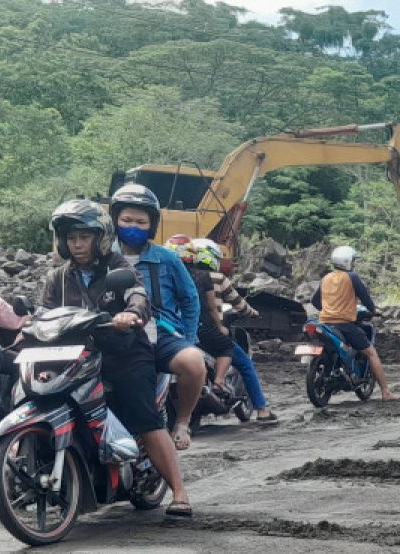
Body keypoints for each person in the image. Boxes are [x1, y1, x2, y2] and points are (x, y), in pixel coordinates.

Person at [41, 200, 193, 519]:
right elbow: (44, 312)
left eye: (84, 237)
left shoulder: (119, 267)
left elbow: (138, 295)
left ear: (100, 238)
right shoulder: (58, 278)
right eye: (71, 238)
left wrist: (131, 313)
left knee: (144, 416)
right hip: (77, 355)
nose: (78, 244)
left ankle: (179, 492)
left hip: (123, 350)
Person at [108, 184, 205, 451]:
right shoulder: (103, 258)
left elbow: (190, 299)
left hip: (160, 330)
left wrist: (187, 338)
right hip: (113, 331)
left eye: (141, 222)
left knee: (194, 364)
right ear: (115, 220)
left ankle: (182, 421)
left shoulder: (167, 258)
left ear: (151, 225)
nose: (133, 226)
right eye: (127, 220)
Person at [190, 238, 278, 424]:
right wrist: (253, 313)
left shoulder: (184, 276)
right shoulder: (217, 278)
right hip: (211, 332)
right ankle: (262, 411)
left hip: (187, 332)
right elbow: (238, 304)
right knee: (245, 364)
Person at [312, 245, 398, 401]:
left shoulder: (325, 278)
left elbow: (314, 301)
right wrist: (373, 310)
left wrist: (328, 309)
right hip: (344, 325)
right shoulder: (352, 277)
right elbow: (366, 299)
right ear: (347, 261)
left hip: (325, 323)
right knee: (371, 353)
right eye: (353, 261)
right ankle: (386, 392)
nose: (354, 264)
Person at [168, 236, 235, 399]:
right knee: (226, 346)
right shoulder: (203, 276)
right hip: (200, 328)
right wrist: (220, 327)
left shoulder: (165, 275)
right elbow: (212, 307)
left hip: (170, 328)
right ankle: (219, 381)